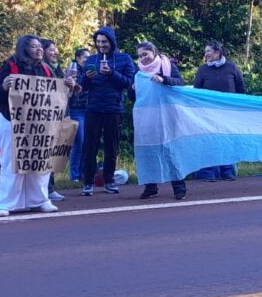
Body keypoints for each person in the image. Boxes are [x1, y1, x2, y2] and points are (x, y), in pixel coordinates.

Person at [0, 35, 63, 217]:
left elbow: (55, 95)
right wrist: (4, 86)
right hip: (12, 122)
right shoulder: (10, 67)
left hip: (39, 124)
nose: (39, 50)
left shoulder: (45, 68)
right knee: (12, 163)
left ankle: (40, 200)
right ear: (24, 49)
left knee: (39, 162)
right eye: (34, 47)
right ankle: (5, 203)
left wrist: (68, 86)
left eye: (40, 46)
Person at [79, 26, 136, 196]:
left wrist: (111, 73)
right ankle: (87, 182)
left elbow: (129, 82)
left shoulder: (124, 59)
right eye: (98, 42)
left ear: (111, 41)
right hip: (93, 108)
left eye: (104, 41)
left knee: (112, 146)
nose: (101, 45)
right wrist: (85, 78)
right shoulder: (92, 60)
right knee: (90, 146)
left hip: (114, 108)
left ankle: (109, 181)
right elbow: (83, 86)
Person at [135, 42, 188, 200]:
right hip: (147, 116)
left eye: (145, 54)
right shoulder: (138, 72)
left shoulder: (167, 65)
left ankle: (179, 187)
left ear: (153, 52)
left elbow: (180, 83)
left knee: (170, 151)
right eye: (140, 56)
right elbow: (135, 97)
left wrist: (163, 79)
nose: (143, 58)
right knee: (148, 151)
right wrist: (132, 89)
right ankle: (151, 187)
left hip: (167, 114)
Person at [192, 40, 245, 181]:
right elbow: (196, 91)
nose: (206, 54)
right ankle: (208, 173)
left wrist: (240, 106)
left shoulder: (231, 67)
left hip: (228, 112)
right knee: (209, 141)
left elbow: (241, 89)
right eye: (205, 52)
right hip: (208, 113)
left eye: (208, 51)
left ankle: (227, 171)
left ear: (217, 52)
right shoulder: (203, 70)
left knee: (226, 141)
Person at [39, 38, 66, 202]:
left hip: (59, 114)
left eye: (55, 49)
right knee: (45, 152)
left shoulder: (57, 68)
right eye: (51, 50)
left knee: (54, 152)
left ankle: (49, 187)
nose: (55, 52)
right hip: (45, 116)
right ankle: (46, 189)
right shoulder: (41, 68)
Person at [67, 48, 91, 182]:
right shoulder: (72, 72)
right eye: (85, 57)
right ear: (78, 58)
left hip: (89, 110)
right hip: (76, 110)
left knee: (87, 143)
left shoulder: (91, 72)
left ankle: (83, 174)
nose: (87, 60)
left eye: (89, 57)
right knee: (79, 142)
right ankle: (74, 176)